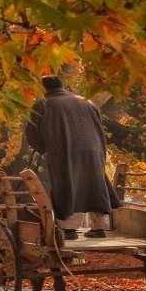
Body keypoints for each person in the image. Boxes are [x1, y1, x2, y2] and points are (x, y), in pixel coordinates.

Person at [24, 76, 121, 239]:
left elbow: (32, 133)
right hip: (93, 150)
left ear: (44, 89)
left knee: (66, 182)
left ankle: (69, 229)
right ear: (62, 85)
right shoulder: (87, 102)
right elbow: (99, 128)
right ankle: (99, 228)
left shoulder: (43, 105)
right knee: (95, 183)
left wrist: (43, 148)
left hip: (65, 150)